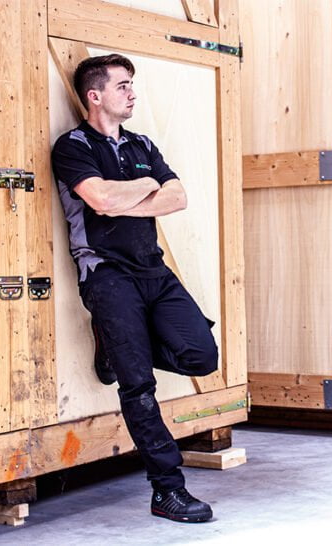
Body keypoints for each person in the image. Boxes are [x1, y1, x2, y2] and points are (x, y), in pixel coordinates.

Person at [51, 53, 218, 523]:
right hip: (106, 274)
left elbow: (178, 197)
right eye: (122, 85)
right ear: (95, 95)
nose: (132, 92)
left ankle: (115, 346)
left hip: (152, 270)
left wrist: (124, 199)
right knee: (138, 385)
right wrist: (146, 186)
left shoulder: (142, 144)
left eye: (132, 84)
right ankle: (167, 490)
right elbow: (100, 198)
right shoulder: (73, 146)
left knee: (202, 357)